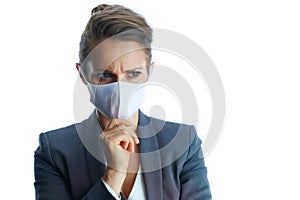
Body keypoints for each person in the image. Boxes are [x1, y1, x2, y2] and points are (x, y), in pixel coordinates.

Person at [34, 4, 212, 200]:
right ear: (82, 74)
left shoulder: (183, 143)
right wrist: (113, 175)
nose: (120, 87)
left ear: (149, 72)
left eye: (133, 74)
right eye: (105, 75)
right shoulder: (55, 151)